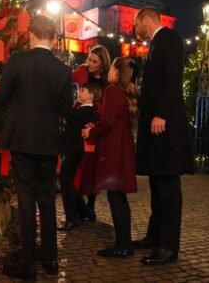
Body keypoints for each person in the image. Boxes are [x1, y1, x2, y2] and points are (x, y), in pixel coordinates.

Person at [0, 15, 72, 281]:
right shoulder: (62, 70)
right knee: (47, 200)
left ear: (32, 34)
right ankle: (50, 259)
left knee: (26, 200)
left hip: (22, 139)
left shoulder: (17, 62)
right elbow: (65, 108)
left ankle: (27, 263)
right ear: (53, 37)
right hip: (48, 141)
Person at [134, 7, 194, 265]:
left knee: (168, 187)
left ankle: (168, 246)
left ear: (146, 20)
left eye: (137, 26)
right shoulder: (157, 43)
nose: (136, 31)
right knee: (158, 185)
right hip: (157, 127)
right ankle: (155, 236)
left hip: (165, 127)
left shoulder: (168, 39)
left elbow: (172, 79)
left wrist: (161, 114)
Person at [83, 57, 138, 258]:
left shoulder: (112, 90)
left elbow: (107, 121)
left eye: (112, 67)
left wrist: (91, 132)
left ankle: (122, 245)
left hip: (114, 150)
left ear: (116, 71)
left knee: (115, 196)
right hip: (122, 148)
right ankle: (125, 243)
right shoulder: (123, 92)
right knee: (119, 196)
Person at [72, 45, 111, 220]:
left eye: (95, 61)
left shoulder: (107, 82)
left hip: (95, 125)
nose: (90, 63)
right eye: (89, 58)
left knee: (91, 167)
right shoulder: (81, 72)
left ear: (102, 64)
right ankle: (79, 205)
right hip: (78, 121)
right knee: (78, 167)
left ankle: (90, 205)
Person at [58, 82, 102, 231]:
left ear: (90, 95)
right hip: (71, 148)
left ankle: (72, 217)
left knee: (65, 181)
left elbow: (68, 113)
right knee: (67, 181)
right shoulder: (82, 109)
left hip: (74, 149)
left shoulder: (87, 111)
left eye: (83, 90)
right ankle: (84, 211)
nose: (80, 92)